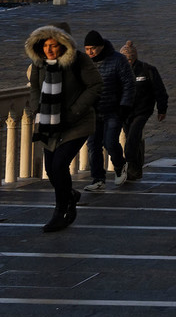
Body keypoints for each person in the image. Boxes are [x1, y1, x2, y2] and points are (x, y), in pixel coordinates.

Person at [26, 24, 100, 232]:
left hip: (77, 122)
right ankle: (69, 194)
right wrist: (35, 107)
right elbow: (33, 87)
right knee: (50, 169)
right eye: (46, 46)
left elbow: (95, 85)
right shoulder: (39, 64)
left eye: (54, 46)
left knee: (59, 165)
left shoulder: (80, 61)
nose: (49, 50)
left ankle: (61, 211)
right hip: (50, 122)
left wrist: (75, 111)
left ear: (63, 45)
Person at [82, 31, 133, 192]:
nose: (90, 52)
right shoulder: (84, 63)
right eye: (87, 49)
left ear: (101, 47)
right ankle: (98, 179)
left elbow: (128, 83)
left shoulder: (118, 59)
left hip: (113, 110)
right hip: (92, 111)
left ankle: (119, 165)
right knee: (93, 145)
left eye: (93, 49)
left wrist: (124, 106)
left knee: (110, 142)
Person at [119, 40, 168, 182]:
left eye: (130, 58)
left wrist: (162, 109)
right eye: (125, 59)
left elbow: (160, 90)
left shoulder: (148, 70)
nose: (128, 61)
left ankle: (131, 168)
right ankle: (137, 169)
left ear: (135, 57)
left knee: (131, 142)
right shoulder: (119, 71)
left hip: (142, 111)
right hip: (125, 112)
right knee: (132, 139)